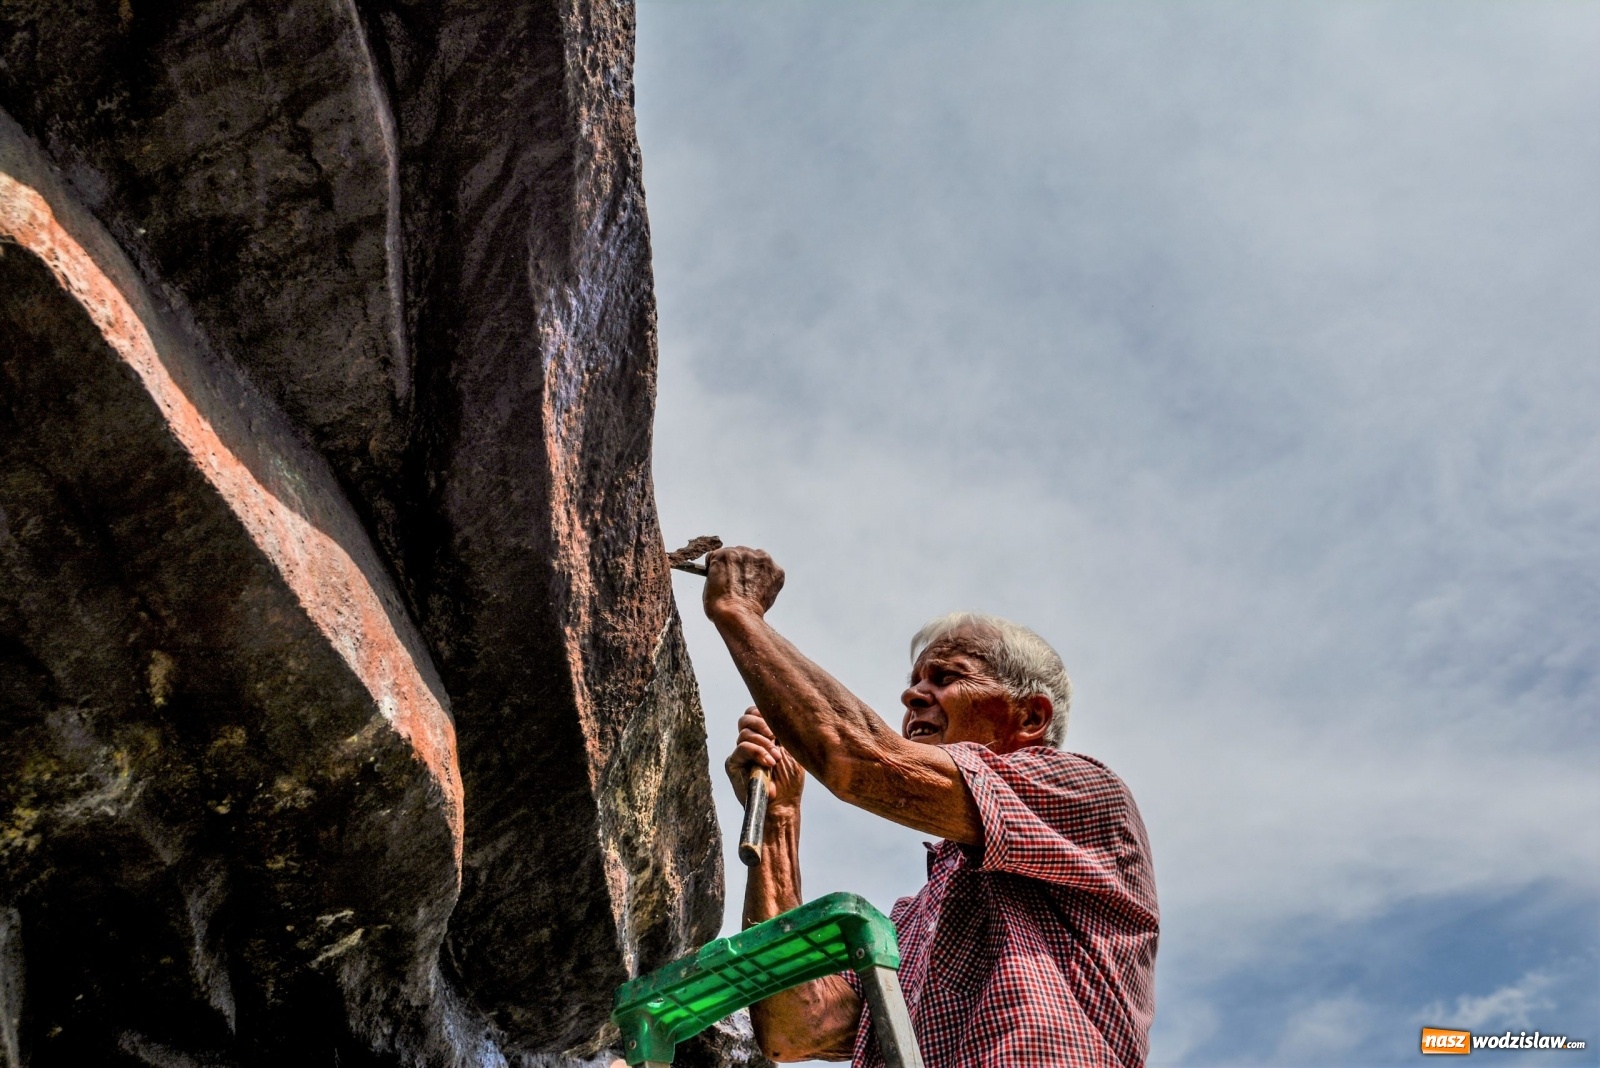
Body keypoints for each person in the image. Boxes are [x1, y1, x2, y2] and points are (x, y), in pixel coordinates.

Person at [705, 546, 1159, 1068]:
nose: (913, 697)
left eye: (946, 678)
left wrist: (740, 613)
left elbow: (861, 759)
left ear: (1031, 717)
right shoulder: (916, 920)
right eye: (914, 682)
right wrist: (780, 819)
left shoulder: (1083, 794)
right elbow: (797, 1026)